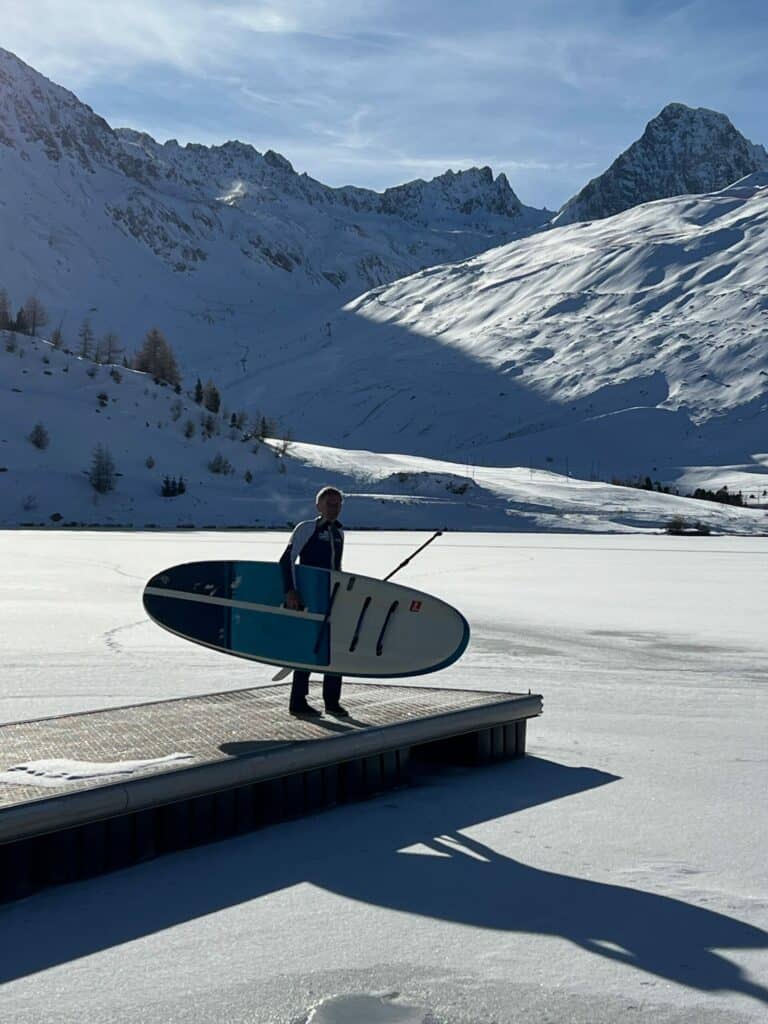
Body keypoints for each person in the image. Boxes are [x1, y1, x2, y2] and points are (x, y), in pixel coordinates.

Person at [279, 486, 348, 717]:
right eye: (329, 504)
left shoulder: (339, 533)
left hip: (332, 598)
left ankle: (332, 701)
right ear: (318, 505)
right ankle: (298, 702)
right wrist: (290, 591)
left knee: (334, 649)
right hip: (308, 598)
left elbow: (336, 568)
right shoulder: (306, 528)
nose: (334, 508)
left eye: (338, 504)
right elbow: (286, 560)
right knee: (307, 649)